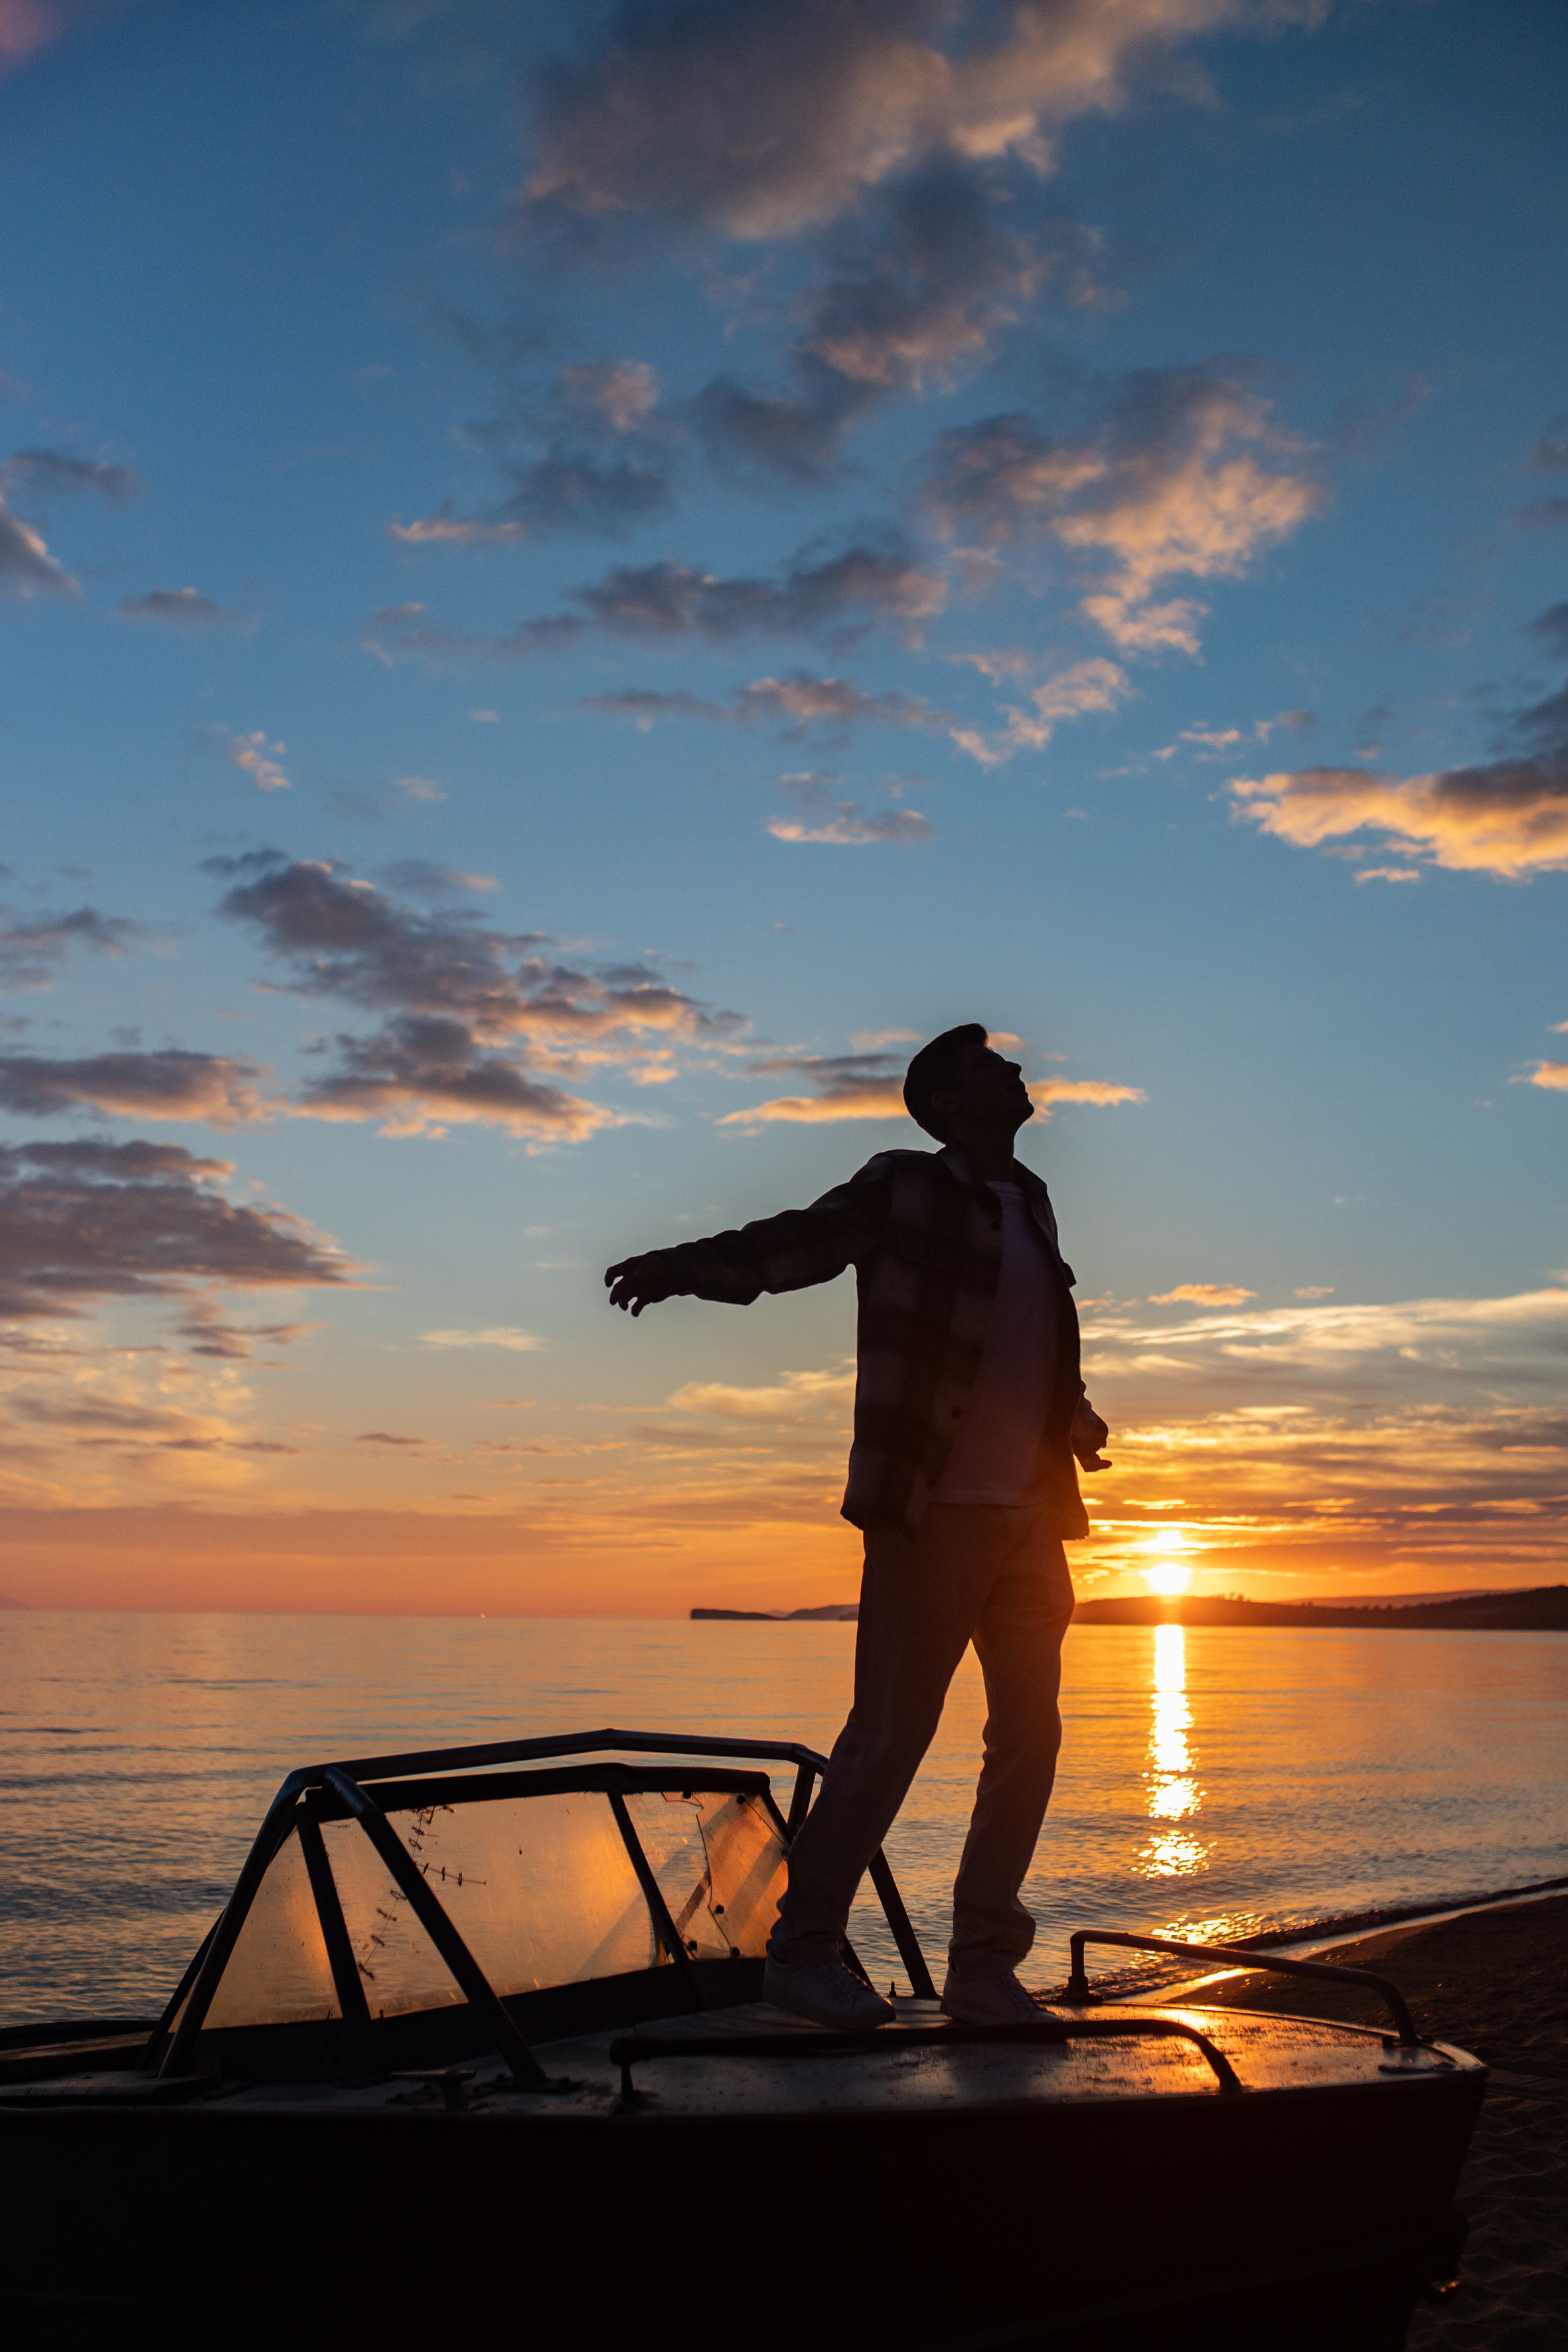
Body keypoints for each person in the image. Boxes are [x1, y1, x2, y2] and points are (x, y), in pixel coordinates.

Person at [605, 1024, 1110, 2028]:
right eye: (987, 1064)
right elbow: (797, 1243)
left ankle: (980, 1969)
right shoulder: (904, 1182)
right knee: (888, 1735)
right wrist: (679, 1267)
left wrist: (1073, 1416)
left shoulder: (1034, 1201)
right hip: (928, 1505)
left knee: (1030, 1737)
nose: (1012, 1068)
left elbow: (1027, 1340)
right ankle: (800, 1953)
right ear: (949, 1103)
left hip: (1031, 1515)